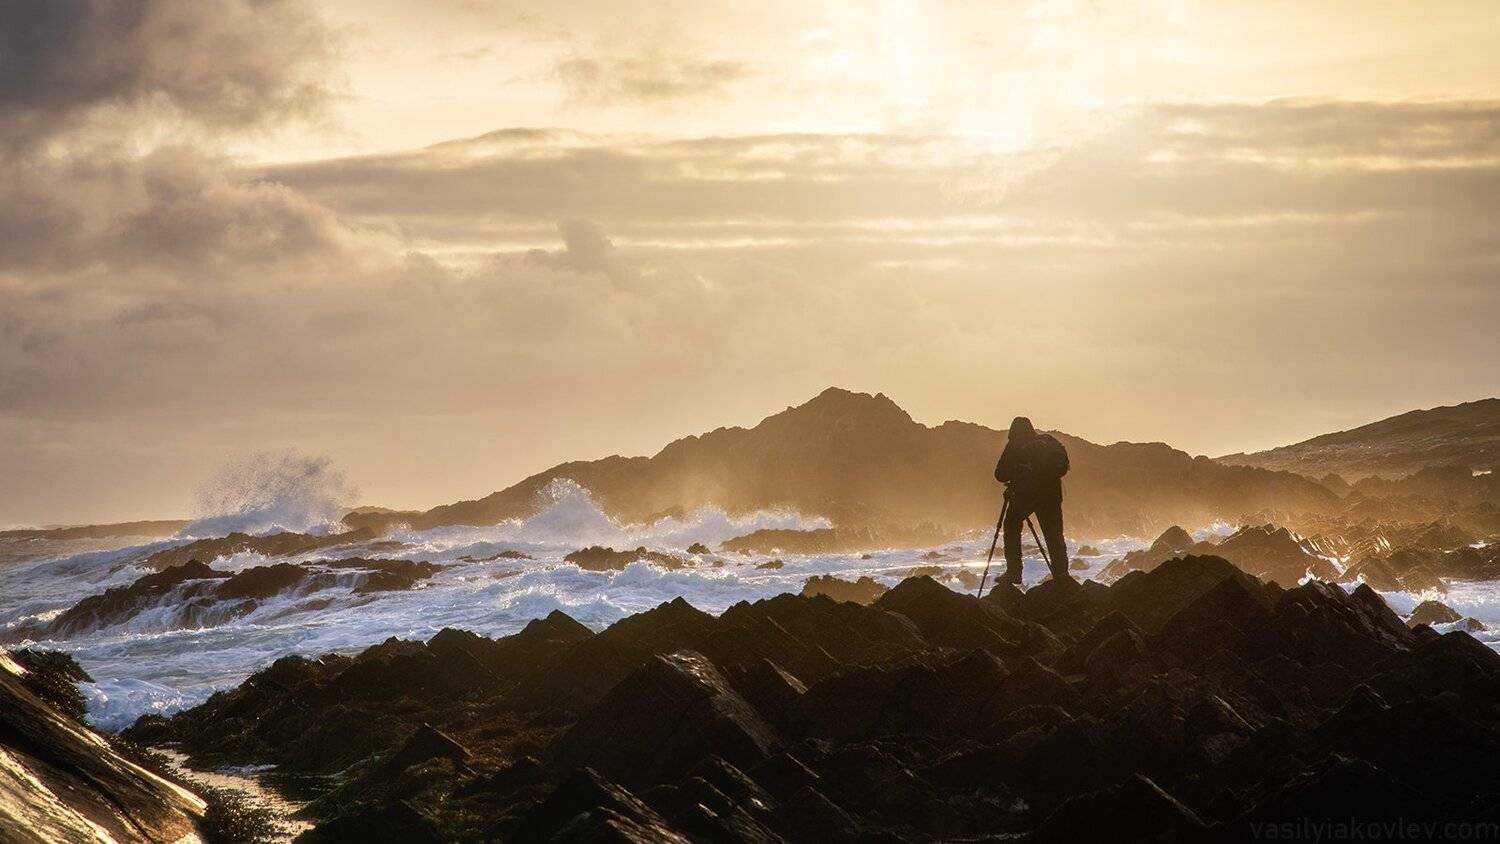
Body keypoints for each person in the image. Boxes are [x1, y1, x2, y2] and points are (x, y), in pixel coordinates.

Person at [993, 416, 1072, 585]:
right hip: (1051, 496)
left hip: (1025, 496)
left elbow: (1000, 474)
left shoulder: (1015, 445)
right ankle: (1062, 575)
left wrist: (1016, 470)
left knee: (1012, 525)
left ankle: (1014, 572)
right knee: (1054, 535)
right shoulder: (1048, 443)